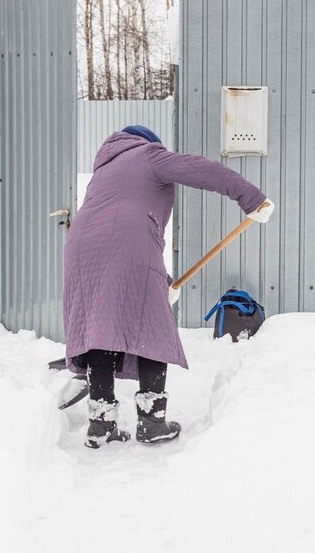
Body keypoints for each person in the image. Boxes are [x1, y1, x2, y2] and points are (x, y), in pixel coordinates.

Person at [63, 125, 274, 449]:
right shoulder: (148, 154)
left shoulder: (105, 170)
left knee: (99, 330)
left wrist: (161, 284)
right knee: (151, 327)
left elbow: (121, 221)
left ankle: (100, 423)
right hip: (126, 242)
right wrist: (252, 198)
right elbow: (202, 170)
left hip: (80, 246)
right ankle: (151, 421)